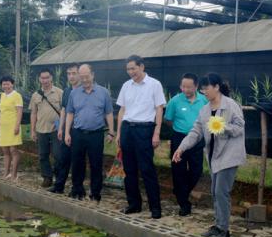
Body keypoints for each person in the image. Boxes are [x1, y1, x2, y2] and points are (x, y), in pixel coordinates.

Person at [173, 73, 246, 237]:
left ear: (216, 87)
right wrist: (181, 148)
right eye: (203, 88)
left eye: (206, 88)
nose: (203, 91)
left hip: (229, 154)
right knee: (215, 191)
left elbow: (240, 127)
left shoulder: (230, 105)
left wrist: (222, 127)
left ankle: (224, 231)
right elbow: (196, 132)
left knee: (221, 191)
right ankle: (219, 225)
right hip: (214, 155)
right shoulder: (205, 109)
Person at [116, 55, 166, 219]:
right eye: (128, 69)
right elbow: (122, 110)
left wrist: (156, 132)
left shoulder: (154, 84)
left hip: (144, 130)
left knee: (147, 169)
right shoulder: (126, 86)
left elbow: (159, 109)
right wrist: (118, 133)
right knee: (129, 170)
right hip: (127, 129)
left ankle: (155, 207)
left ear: (142, 67)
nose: (131, 72)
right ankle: (134, 204)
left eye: (133, 68)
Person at [65, 64, 115, 202]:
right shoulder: (74, 93)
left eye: (87, 76)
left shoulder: (103, 92)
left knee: (96, 164)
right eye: (82, 77)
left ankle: (95, 193)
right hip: (78, 133)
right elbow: (70, 113)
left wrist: (111, 131)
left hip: (96, 134)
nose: (85, 80)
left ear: (92, 75)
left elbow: (109, 113)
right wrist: (67, 133)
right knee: (77, 163)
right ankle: (77, 190)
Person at [164, 73, 208, 216]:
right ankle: (184, 204)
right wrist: (181, 129)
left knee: (197, 170)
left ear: (196, 86)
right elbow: (168, 120)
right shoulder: (175, 101)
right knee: (178, 171)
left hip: (197, 139)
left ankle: (180, 191)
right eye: (183, 86)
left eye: (189, 87)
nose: (186, 89)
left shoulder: (204, 100)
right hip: (179, 138)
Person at [48, 64, 80, 194]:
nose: (71, 76)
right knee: (62, 159)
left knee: (77, 160)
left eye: (74, 73)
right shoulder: (67, 91)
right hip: (66, 129)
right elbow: (63, 110)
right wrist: (60, 128)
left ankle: (76, 188)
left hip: (79, 130)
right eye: (69, 73)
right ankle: (59, 185)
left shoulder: (84, 90)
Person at [29, 68, 63, 188]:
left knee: (58, 155)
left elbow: (64, 111)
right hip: (41, 129)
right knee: (43, 155)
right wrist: (32, 130)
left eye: (47, 77)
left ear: (51, 78)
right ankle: (47, 177)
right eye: (42, 78)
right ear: (39, 79)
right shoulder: (35, 95)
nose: (45, 80)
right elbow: (33, 113)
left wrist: (63, 128)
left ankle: (59, 178)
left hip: (56, 129)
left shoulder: (59, 92)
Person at [0, 75, 23, 180]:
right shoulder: (2, 95)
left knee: (13, 150)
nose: (6, 86)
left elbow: (19, 112)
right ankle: (6, 172)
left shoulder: (17, 95)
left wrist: (17, 126)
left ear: (12, 84)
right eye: (4, 84)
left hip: (13, 126)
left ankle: (14, 174)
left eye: (8, 83)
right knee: (5, 151)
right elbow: (1, 112)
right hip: (3, 127)